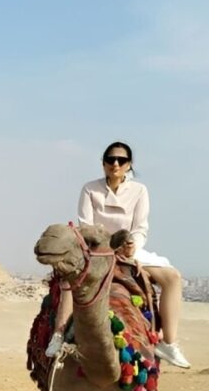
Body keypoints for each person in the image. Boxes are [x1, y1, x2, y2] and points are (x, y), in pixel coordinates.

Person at [47, 141, 190, 368]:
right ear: (103, 163)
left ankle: (169, 343)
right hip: (96, 250)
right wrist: (107, 246)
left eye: (121, 160)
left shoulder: (139, 191)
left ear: (129, 165)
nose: (115, 164)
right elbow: (86, 225)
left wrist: (132, 245)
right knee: (69, 279)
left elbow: (140, 226)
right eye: (111, 159)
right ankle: (58, 334)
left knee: (172, 278)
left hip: (130, 250)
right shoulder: (90, 189)